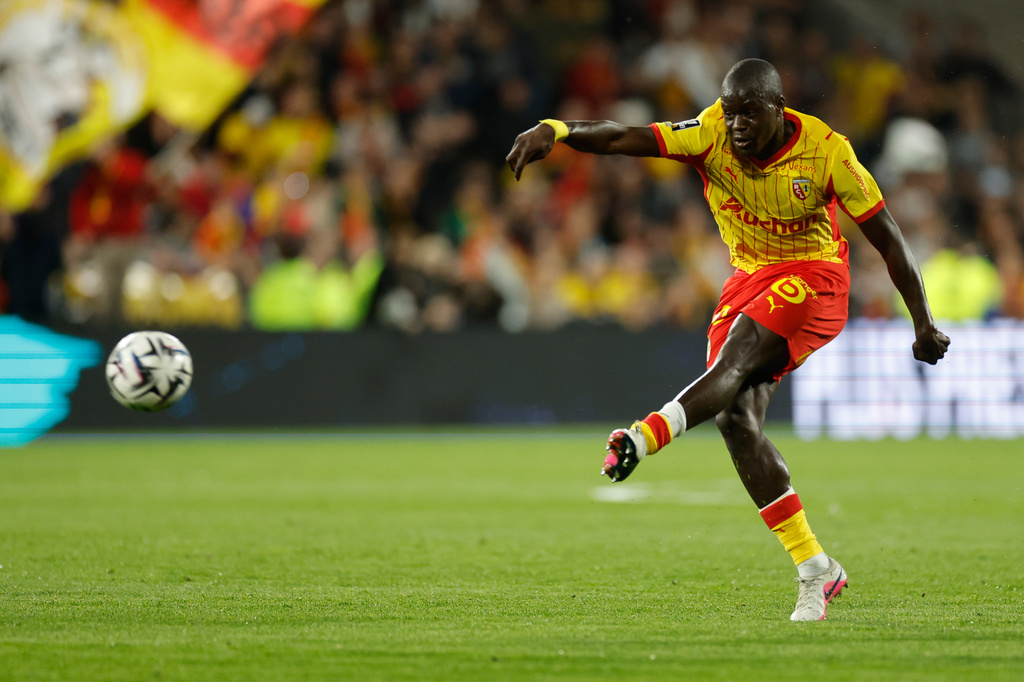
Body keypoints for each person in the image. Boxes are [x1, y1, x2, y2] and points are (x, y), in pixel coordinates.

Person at [506, 59, 950, 622]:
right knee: (736, 421)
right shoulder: (710, 131)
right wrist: (559, 130)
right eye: (729, 110)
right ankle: (816, 567)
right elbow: (626, 137)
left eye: (748, 113)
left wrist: (922, 321)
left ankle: (643, 437)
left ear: (777, 108)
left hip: (814, 277)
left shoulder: (828, 152)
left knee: (735, 362)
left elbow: (889, 241)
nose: (735, 123)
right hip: (747, 277)